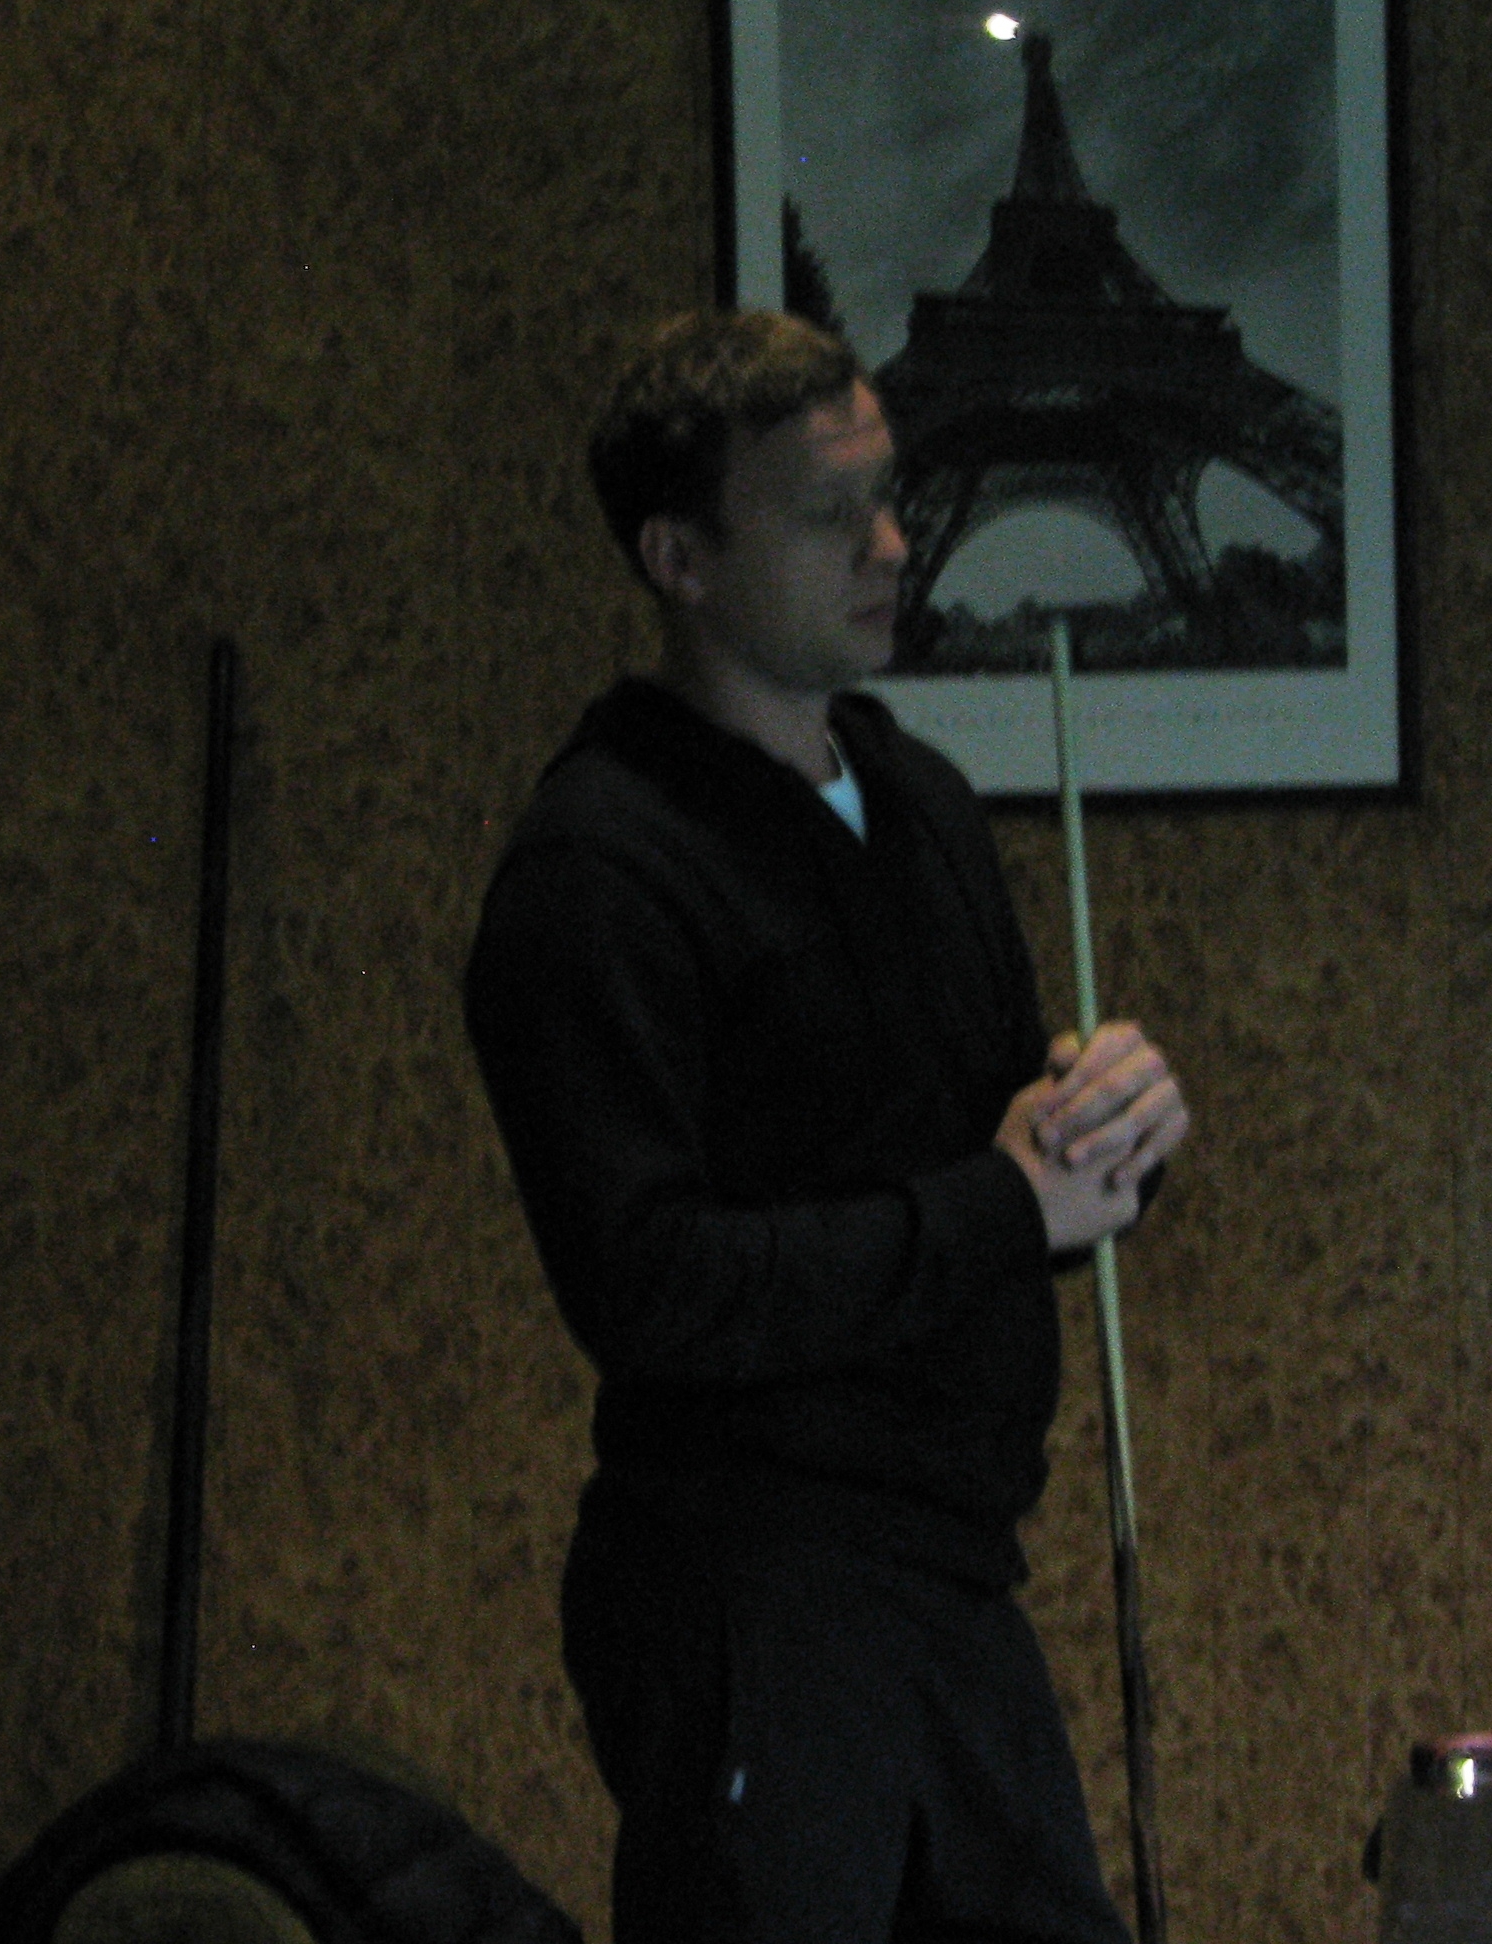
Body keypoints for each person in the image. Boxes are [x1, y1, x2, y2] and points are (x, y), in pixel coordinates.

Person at [464, 308, 1192, 1944]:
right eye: (826, 515)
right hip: (748, 1593)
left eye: (889, 496)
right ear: (679, 560)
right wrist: (1008, 1202)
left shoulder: (915, 796)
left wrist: (1111, 1136)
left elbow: (996, 1162)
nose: (892, 546)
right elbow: (650, 1287)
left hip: (954, 1572)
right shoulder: (597, 872)